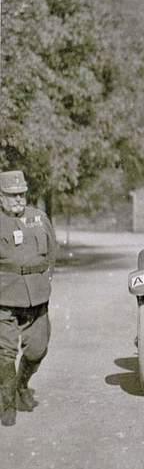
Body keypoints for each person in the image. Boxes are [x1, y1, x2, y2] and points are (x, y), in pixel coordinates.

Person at [0, 170, 58, 427]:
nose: (18, 200)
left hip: (37, 295)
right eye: (11, 196)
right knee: (5, 353)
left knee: (38, 348)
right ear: (1, 197)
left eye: (21, 194)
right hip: (5, 297)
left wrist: (48, 277)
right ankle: (7, 402)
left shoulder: (38, 217)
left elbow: (52, 251)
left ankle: (22, 384)